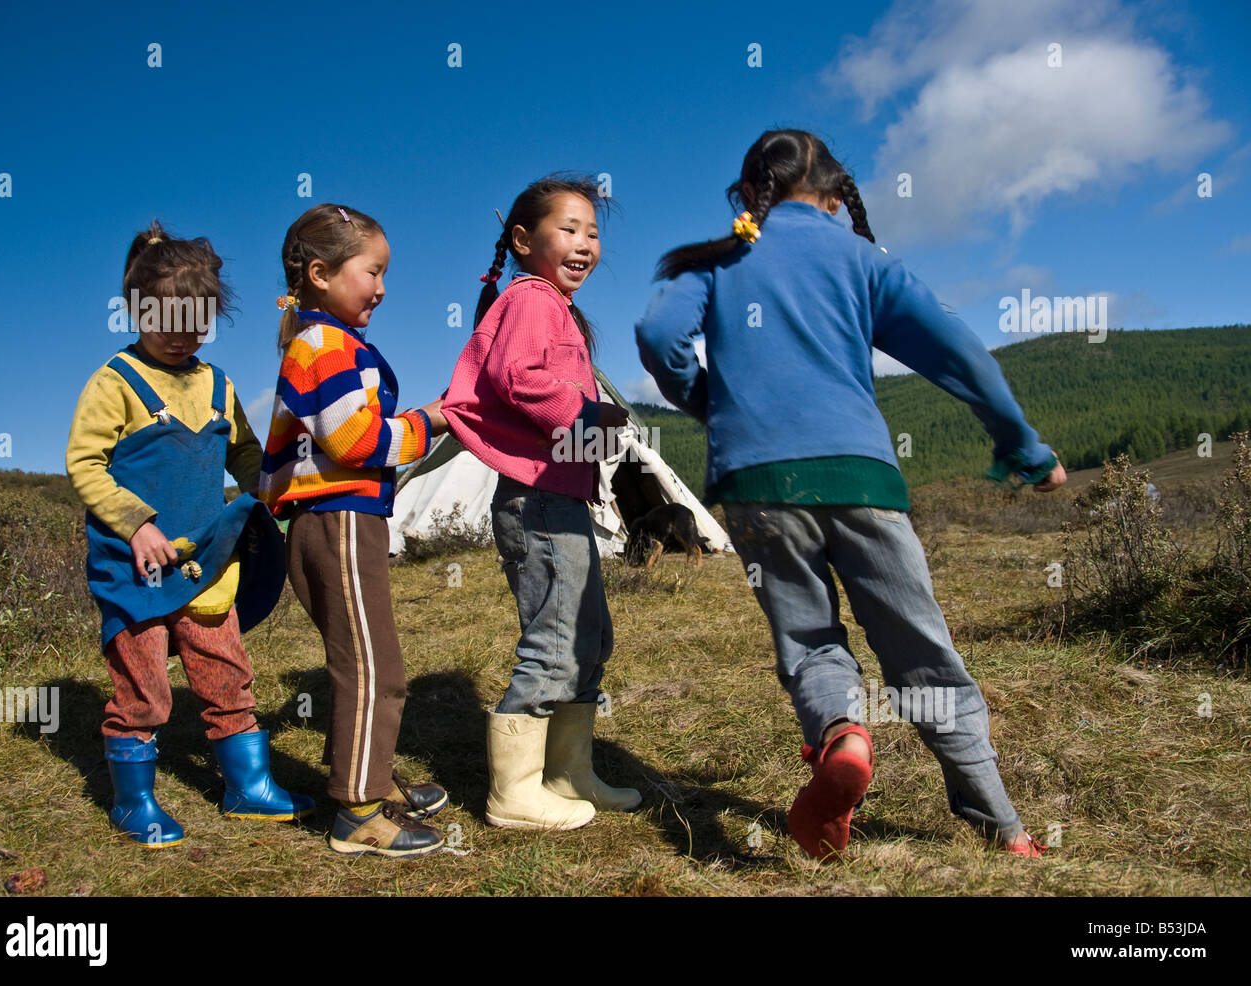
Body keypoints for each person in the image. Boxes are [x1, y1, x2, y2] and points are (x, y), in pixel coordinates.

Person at [635, 130, 1066, 860]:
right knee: (920, 648)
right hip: (861, 475)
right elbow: (957, 350)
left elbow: (657, 332)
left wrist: (712, 402)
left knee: (808, 639)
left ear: (746, 196)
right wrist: (1022, 446)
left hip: (754, 484)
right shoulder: (863, 260)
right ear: (837, 196)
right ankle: (1003, 825)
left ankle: (840, 732)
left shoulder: (720, 259)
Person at [67, 220, 312, 848]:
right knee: (144, 686)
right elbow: (85, 464)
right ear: (135, 308)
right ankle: (133, 801)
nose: (181, 332)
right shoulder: (115, 382)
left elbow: (248, 458)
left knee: (225, 667)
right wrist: (136, 524)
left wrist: (275, 486)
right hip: (134, 566)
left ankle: (247, 788)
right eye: (166, 316)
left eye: (195, 319)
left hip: (206, 562)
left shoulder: (220, 385)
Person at [441, 175, 640, 830]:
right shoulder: (531, 300)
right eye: (570, 229)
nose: (585, 243)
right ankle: (513, 793)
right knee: (556, 636)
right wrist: (589, 415)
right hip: (537, 499)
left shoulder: (553, 306)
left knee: (586, 635)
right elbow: (516, 377)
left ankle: (567, 771)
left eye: (593, 232)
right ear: (524, 240)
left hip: (562, 496)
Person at [260, 203, 450, 859]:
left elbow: (295, 447)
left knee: (360, 660)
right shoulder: (329, 346)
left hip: (322, 524)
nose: (383, 286)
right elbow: (355, 439)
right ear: (320, 273)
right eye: (373, 271)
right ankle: (359, 813)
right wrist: (431, 421)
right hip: (341, 521)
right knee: (376, 669)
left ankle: (370, 782)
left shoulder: (309, 344)